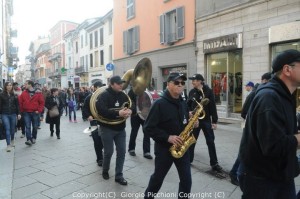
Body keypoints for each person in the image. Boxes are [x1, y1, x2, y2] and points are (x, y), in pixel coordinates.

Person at [239, 49, 300, 198]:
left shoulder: (286, 96)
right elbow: (272, 146)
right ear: (287, 69)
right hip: (263, 181)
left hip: (280, 175)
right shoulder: (269, 97)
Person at [144, 72, 192, 199]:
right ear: (168, 84)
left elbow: (184, 121)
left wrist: (192, 122)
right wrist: (168, 137)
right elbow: (148, 128)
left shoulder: (183, 102)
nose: (180, 85)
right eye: (177, 82)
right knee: (158, 179)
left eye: (182, 83)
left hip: (182, 147)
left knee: (187, 180)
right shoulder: (159, 104)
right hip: (164, 149)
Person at [229, 72, 272, 186]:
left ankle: (238, 173)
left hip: (255, 127)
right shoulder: (256, 92)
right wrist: (249, 121)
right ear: (264, 80)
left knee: (248, 150)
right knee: (245, 150)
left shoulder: (260, 91)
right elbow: (244, 110)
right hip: (252, 128)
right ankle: (235, 173)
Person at [96, 75, 132, 185]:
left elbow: (131, 106)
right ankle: (105, 170)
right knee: (109, 152)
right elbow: (102, 111)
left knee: (121, 152)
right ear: (111, 84)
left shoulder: (123, 95)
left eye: (121, 83)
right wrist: (118, 112)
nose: (121, 85)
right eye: (118, 83)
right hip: (107, 128)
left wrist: (130, 110)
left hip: (120, 128)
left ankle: (119, 175)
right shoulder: (103, 95)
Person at [187, 74, 223, 173]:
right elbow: (188, 105)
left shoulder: (208, 91)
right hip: (195, 120)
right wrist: (189, 112)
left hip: (206, 120)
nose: (192, 82)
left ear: (200, 81)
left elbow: (212, 106)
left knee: (210, 141)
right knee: (191, 140)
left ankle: (214, 163)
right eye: (192, 80)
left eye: (194, 80)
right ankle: (188, 160)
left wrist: (214, 121)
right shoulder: (192, 92)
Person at [82, 81, 104, 166]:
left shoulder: (104, 96)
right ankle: (99, 158)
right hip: (94, 122)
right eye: (99, 87)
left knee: (103, 140)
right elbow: (84, 109)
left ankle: (101, 152)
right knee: (96, 140)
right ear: (94, 88)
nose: (100, 89)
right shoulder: (89, 97)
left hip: (103, 122)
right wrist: (88, 116)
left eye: (101, 87)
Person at [127, 88, 152, 159]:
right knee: (134, 131)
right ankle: (131, 149)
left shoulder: (146, 90)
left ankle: (147, 152)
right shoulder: (132, 90)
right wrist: (135, 109)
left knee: (147, 132)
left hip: (145, 114)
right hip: (135, 115)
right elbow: (129, 102)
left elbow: (149, 102)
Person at [19, 80, 45, 145]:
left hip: (35, 112)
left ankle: (34, 138)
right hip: (26, 112)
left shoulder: (38, 93)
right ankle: (29, 139)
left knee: (35, 126)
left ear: (30, 85)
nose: (25, 85)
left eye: (26, 84)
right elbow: (20, 102)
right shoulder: (24, 93)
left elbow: (42, 103)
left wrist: (39, 110)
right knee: (27, 126)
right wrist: (22, 111)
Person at [0, 82, 21, 152]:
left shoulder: (14, 95)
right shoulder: (1, 95)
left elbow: (17, 105)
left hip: (13, 114)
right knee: (7, 129)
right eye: (8, 85)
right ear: (5, 86)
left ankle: (12, 139)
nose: (9, 86)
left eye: (10, 85)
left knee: (12, 129)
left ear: (12, 86)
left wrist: (19, 113)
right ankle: (8, 145)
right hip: (4, 114)